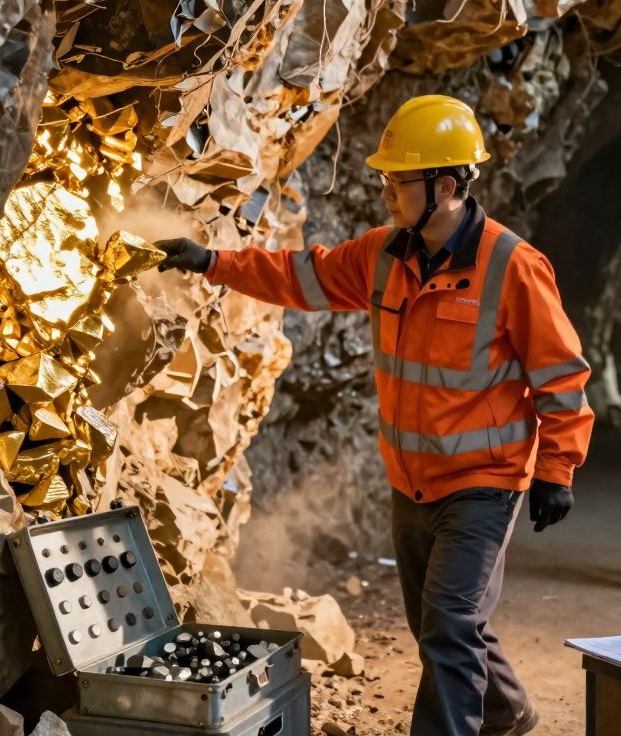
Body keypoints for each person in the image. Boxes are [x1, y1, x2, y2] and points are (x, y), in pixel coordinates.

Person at [154, 95, 593, 735]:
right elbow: (301, 276)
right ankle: (506, 709)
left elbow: (561, 375)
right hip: (410, 479)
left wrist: (558, 471)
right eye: (383, 177)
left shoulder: (512, 267)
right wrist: (211, 262)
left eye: (397, 179)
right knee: (436, 621)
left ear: (445, 186)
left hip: (484, 483)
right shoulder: (384, 255)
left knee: (446, 624)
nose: (385, 191)